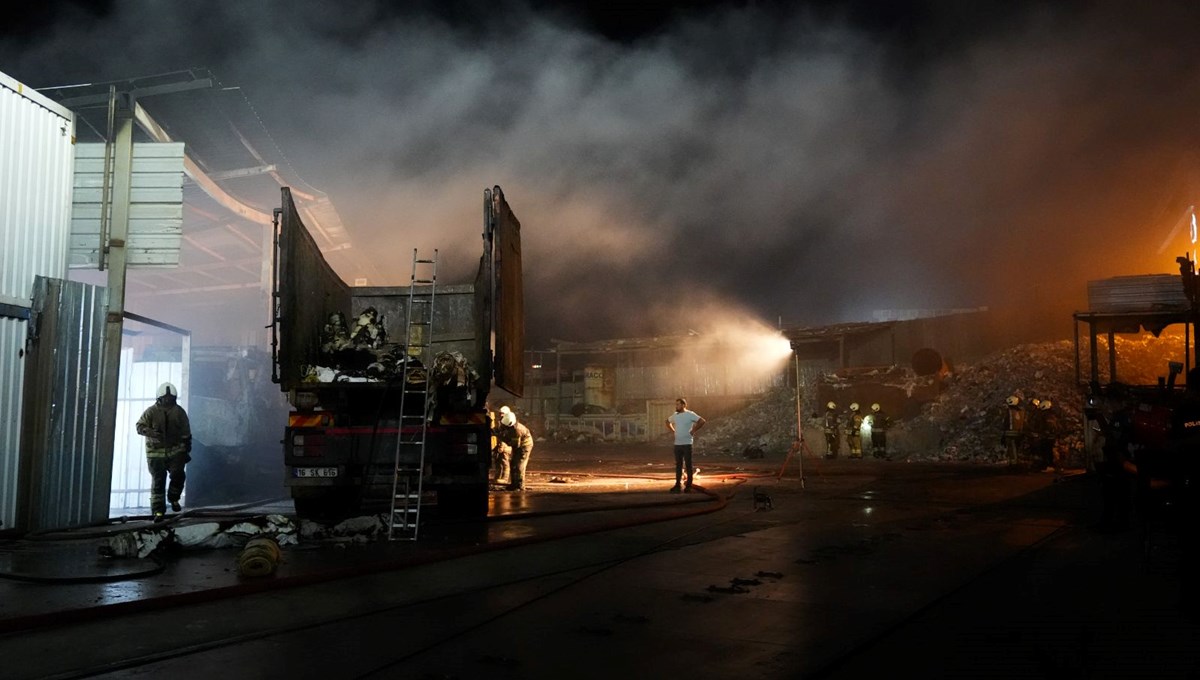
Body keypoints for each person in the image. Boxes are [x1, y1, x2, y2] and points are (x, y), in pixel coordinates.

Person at [136, 382, 192, 521]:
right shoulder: (150, 412)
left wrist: (186, 449)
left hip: (176, 453)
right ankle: (158, 511)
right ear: (159, 398)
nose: (168, 401)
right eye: (165, 398)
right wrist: (149, 432)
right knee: (158, 481)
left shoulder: (179, 412)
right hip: (155, 455)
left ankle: (173, 499)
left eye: (170, 398)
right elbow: (139, 426)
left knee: (178, 475)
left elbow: (186, 433)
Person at [666, 397, 706, 493]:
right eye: (676, 404)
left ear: (684, 405)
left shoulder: (690, 414)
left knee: (688, 465)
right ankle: (677, 485)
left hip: (687, 443)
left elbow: (702, 421)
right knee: (678, 465)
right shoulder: (675, 415)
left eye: (678, 404)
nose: (676, 406)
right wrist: (673, 431)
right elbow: (667, 422)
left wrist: (693, 430)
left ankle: (688, 486)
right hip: (677, 444)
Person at [494, 409, 534, 492]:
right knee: (513, 464)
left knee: (519, 465)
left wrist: (500, 437)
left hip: (525, 446)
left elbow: (514, 444)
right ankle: (514, 484)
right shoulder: (508, 423)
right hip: (518, 445)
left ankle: (520, 485)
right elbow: (502, 430)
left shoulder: (517, 431)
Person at [1001, 395, 1025, 465]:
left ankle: (1013, 463)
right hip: (1019, 433)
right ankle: (1017, 461)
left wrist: (1003, 434)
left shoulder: (1009, 411)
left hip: (1010, 433)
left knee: (1011, 448)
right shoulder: (1021, 411)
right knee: (1017, 448)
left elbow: (1006, 422)